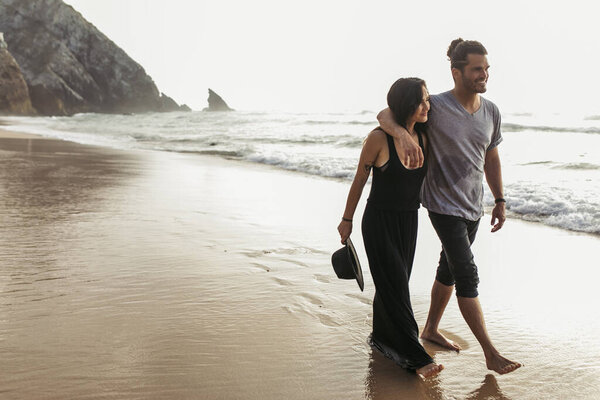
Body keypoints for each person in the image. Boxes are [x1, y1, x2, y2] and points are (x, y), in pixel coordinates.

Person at [377, 38, 521, 375]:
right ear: (456, 72)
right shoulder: (436, 106)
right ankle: (491, 353)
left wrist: (499, 200)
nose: (484, 74)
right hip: (442, 205)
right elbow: (386, 113)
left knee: (448, 270)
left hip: (474, 205)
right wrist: (401, 135)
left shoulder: (491, 111)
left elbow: (491, 156)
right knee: (467, 274)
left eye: (486, 68)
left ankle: (429, 329)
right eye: (476, 69)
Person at [337, 77, 443, 378]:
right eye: (421, 100)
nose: (427, 105)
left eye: (427, 99)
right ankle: (417, 358)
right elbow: (359, 179)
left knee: (393, 285)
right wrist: (347, 220)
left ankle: (383, 340)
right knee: (395, 285)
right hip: (379, 221)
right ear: (406, 103)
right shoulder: (378, 139)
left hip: (409, 221)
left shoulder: (424, 134)